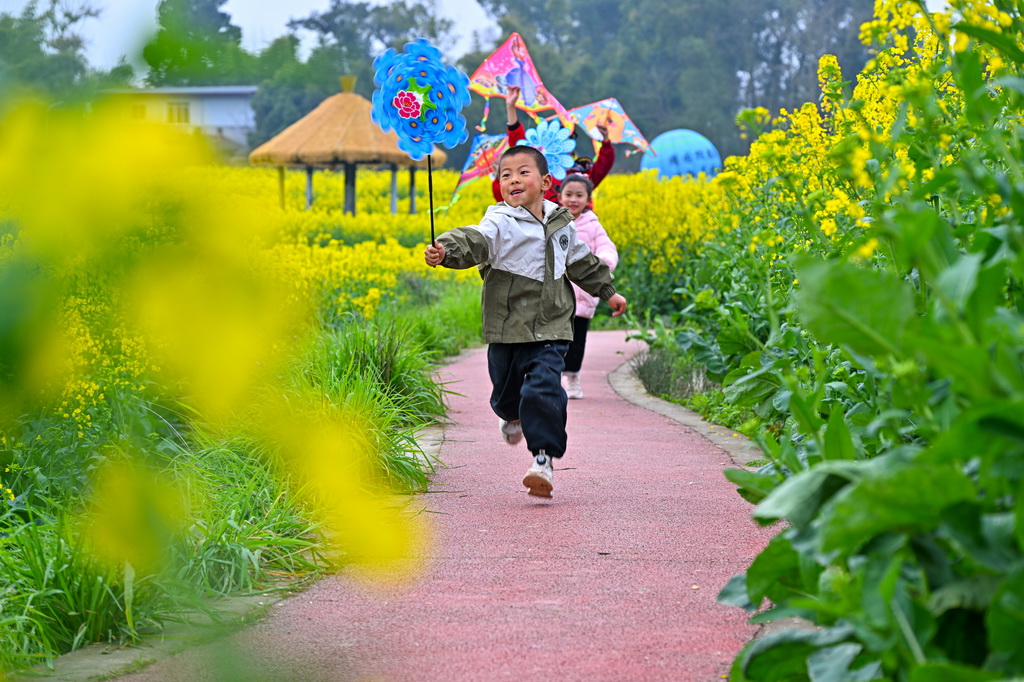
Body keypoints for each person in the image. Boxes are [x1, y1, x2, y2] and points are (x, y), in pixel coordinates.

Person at [425, 145, 627, 498]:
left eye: (523, 172)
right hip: (506, 328)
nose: (513, 179)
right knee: (505, 395)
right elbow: (473, 240)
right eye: (505, 175)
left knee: (544, 389)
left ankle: (543, 459)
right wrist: (445, 250)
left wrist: (608, 291)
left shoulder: (562, 224)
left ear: (546, 182)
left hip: (551, 327)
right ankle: (511, 414)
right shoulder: (500, 222)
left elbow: (581, 262)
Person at [490, 85, 616, 205]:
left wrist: (605, 141)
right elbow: (519, 147)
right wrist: (510, 107)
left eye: (565, 139)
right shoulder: (534, 177)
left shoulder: (580, 174)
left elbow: (603, 165)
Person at [558, 174, 618, 400]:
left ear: (588, 199)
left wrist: (602, 266)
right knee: (552, 341)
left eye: (579, 195)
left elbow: (606, 247)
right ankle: (552, 377)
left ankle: (572, 376)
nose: (573, 200)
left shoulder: (593, 224)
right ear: (559, 196)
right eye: (569, 194)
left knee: (577, 341)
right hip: (555, 295)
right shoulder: (551, 220)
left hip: (582, 295)